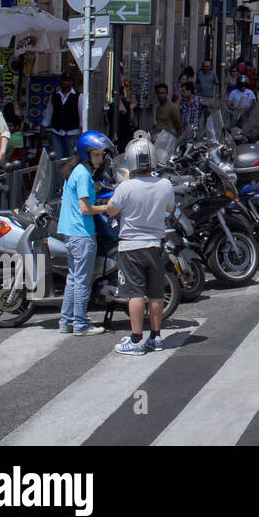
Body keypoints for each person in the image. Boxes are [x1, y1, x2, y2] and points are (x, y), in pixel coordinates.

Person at [106, 134, 175, 355]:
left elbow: (111, 210)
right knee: (155, 294)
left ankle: (136, 339)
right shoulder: (165, 184)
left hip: (131, 246)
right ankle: (156, 337)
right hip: (155, 244)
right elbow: (170, 209)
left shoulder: (126, 187)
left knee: (134, 293)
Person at [58, 131, 114, 336]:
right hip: (82, 234)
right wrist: (106, 208)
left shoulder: (77, 172)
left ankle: (66, 321)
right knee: (82, 280)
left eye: (101, 155)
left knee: (73, 279)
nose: (100, 159)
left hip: (72, 233)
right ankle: (80, 324)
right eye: (97, 155)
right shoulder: (83, 175)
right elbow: (85, 208)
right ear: (86, 154)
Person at [43, 74, 84, 160]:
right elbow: (49, 112)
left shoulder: (78, 96)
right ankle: (58, 173)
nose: (65, 82)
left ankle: (69, 173)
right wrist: (44, 126)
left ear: (71, 82)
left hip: (72, 132)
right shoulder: (54, 96)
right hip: (56, 131)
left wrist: (81, 130)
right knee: (57, 157)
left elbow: (81, 114)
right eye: (63, 80)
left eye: (67, 80)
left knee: (71, 158)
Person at [112, 80, 135, 148]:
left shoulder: (126, 105)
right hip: (117, 131)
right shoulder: (112, 106)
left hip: (125, 131)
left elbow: (131, 119)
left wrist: (131, 109)